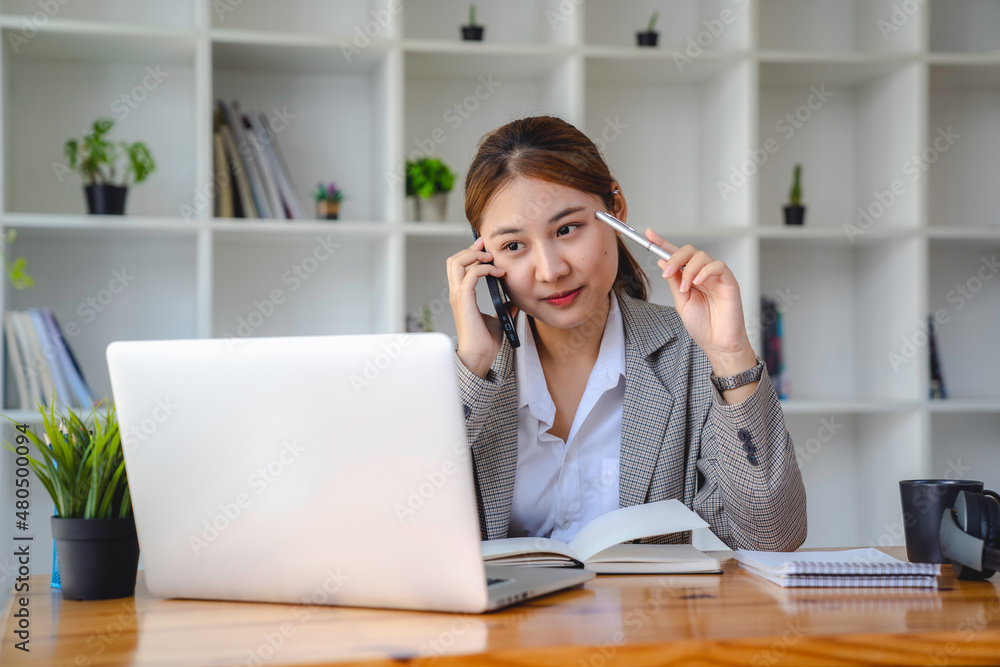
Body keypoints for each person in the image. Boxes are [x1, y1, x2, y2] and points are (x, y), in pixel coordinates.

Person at [446, 115, 806, 551]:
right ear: (482, 259)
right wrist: (473, 368)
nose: (551, 270)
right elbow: (402, 541)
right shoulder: (464, 378)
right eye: (514, 246)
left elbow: (775, 539)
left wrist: (731, 354)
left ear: (615, 208)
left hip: (649, 619)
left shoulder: (692, 355)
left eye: (567, 229)